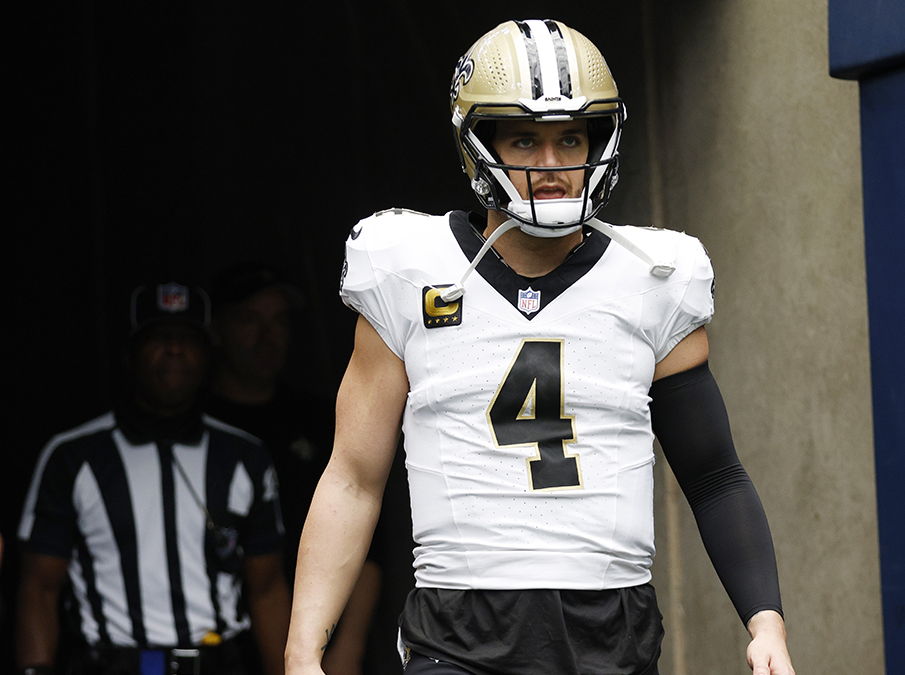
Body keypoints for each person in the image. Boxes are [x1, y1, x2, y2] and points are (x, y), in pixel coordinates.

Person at [286, 19, 795, 675]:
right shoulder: (409, 270)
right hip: (458, 634)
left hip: (610, 633)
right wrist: (303, 650)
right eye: (526, 138)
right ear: (480, 144)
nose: (552, 165)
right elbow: (354, 478)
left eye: (571, 138)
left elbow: (714, 474)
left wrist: (765, 622)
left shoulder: (656, 277)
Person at [16, 282, 291, 675]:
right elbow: (39, 587)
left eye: (188, 339)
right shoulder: (74, 456)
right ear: (130, 355)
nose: (174, 349)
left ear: (208, 356)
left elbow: (267, 588)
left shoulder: (245, 457)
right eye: (159, 337)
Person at [206, 263, 387, 675]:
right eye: (249, 319)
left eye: (279, 321)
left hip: (320, 643)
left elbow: (367, 541)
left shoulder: (321, 420)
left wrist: (348, 649)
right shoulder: (197, 428)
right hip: (221, 645)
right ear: (217, 328)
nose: (266, 335)